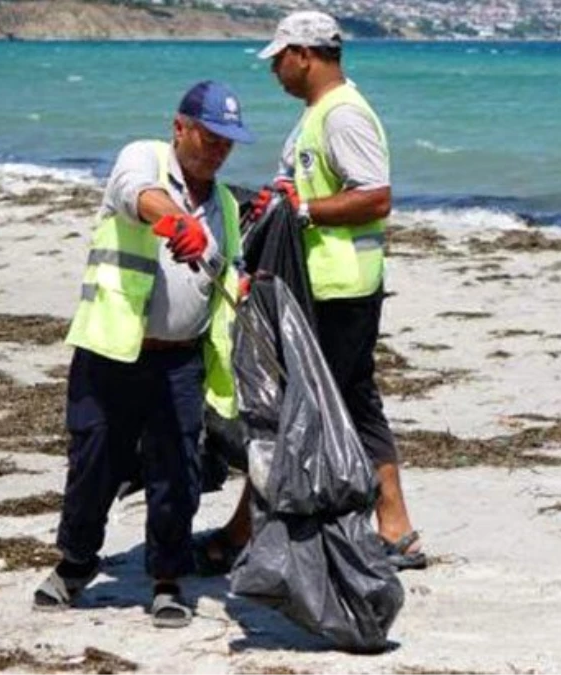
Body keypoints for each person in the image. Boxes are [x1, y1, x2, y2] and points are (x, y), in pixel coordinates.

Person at [195, 10, 427, 573]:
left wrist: (299, 209)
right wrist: (279, 200)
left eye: (279, 58)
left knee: (291, 408)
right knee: (350, 399)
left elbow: (375, 197)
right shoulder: (319, 115)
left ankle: (247, 529)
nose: (274, 69)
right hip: (330, 284)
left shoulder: (342, 115)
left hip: (336, 288)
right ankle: (396, 530)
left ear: (305, 54)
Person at [33, 81, 255, 628]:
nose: (218, 149)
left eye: (228, 141)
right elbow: (136, 194)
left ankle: (167, 578)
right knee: (94, 463)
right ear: (179, 127)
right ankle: (76, 564)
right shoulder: (144, 158)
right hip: (113, 349)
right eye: (209, 135)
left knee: (176, 472)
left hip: (181, 361)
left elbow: (231, 279)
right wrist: (176, 222)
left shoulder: (226, 205)